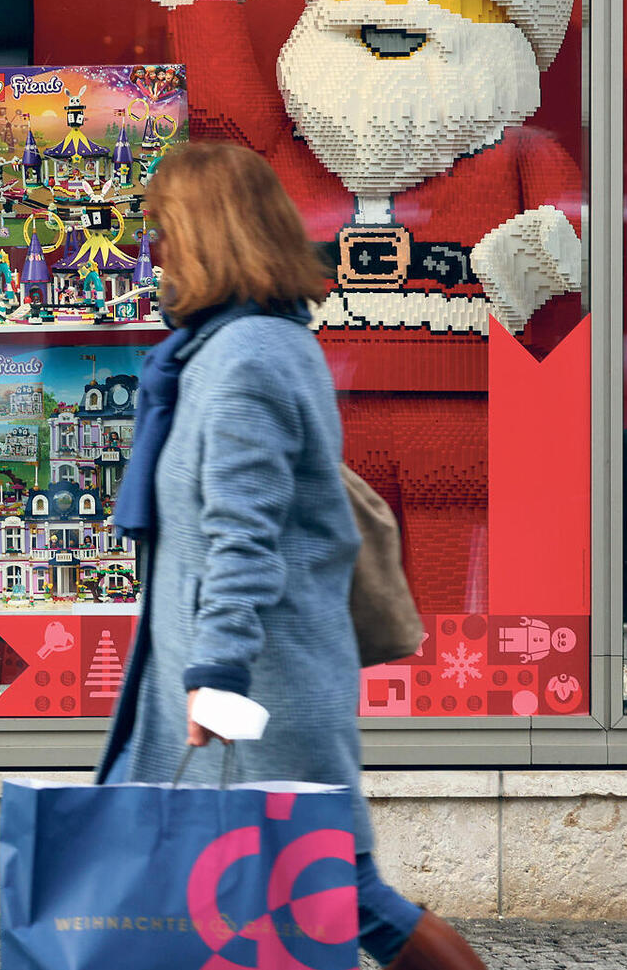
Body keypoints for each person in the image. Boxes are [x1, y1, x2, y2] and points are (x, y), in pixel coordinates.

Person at [96, 142, 485, 970]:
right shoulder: (229, 350)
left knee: (344, 892)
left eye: (162, 231)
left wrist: (219, 677)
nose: (150, 252)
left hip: (250, 694)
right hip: (215, 690)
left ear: (207, 235)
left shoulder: (245, 361)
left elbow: (245, 537)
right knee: (214, 897)